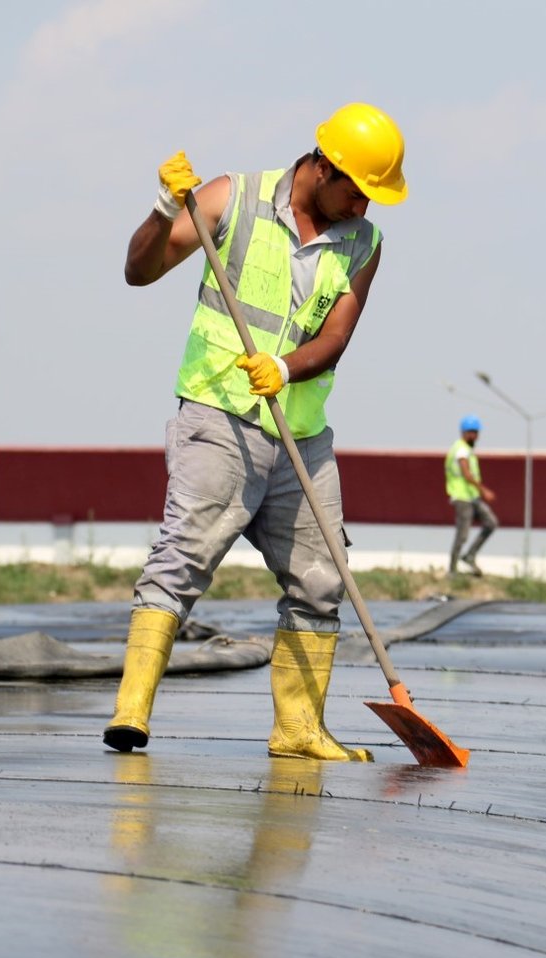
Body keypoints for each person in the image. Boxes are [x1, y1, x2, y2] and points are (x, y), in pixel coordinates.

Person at [103, 102, 408, 762]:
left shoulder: (364, 242)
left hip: (302, 434)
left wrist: (284, 366)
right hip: (218, 418)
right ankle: (131, 713)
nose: (364, 205)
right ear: (323, 167)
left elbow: (335, 339)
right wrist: (162, 211)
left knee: (323, 581)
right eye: (358, 188)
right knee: (182, 559)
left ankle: (299, 729)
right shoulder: (229, 199)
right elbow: (139, 270)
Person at [445, 414, 498, 576]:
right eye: (471, 432)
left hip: (472, 496)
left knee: (491, 523)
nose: (474, 435)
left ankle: (469, 556)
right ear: (464, 432)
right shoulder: (461, 449)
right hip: (462, 497)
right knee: (463, 534)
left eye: (476, 432)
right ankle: (452, 570)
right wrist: (484, 490)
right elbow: (466, 474)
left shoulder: (467, 450)